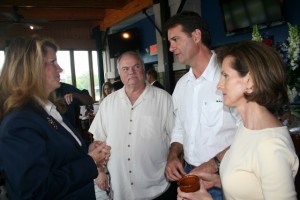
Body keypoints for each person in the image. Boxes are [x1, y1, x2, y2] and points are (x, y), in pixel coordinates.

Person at [178, 41, 299, 200]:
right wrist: (218, 181)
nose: (219, 85)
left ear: (250, 82)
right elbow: (252, 186)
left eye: (225, 76)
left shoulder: (270, 146)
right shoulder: (246, 127)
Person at [0, 35, 111, 199]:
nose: (60, 69)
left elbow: (58, 158)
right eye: (53, 62)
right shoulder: (19, 123)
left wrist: (85, 153)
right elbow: (34, 192)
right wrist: (90, 161)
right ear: (33, 69)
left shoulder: (48, 110)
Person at [164, 11, 238, 199]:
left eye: (175, 39)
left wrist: (213, 164)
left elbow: (248, 133)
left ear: (196, 36)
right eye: (169, 42)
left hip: (225, 176)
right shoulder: (181, 86)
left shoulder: (229, 77)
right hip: (190, 172)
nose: (171, 48)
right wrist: (173, 155)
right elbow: (179, 127)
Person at [89, 51, 176, 200]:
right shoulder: (108, 103)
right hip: (120, 189)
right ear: (119, 73)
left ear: (143, 69)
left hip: (158, 188)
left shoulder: (164, 99)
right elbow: (97, 143)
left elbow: (177, 140)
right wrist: (100, 171)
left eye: (136, 67)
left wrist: (175, 161)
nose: (131, 72)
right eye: (125, 68)